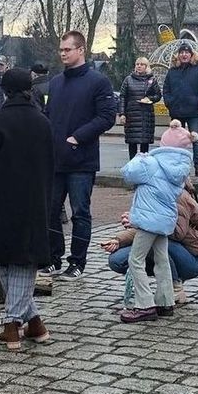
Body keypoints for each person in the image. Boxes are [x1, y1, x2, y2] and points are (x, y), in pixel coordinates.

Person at [0, 69, 54, 350]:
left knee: (0, 255)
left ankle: (11, 326)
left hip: (2, 199)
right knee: (24, 258)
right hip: (34, 200)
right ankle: (34, 322)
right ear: (30, 90)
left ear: (4, 91)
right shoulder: (43, 122)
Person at [42, 31, 117, 281]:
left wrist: (77, 137)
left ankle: (77, 263)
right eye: (61, 50)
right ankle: (53, 259)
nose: (63, 53)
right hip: (54, 160)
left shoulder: (98, 82)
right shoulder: (55, 82)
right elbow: (48, 115)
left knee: (80, 212)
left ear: (81, 49)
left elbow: (107, 117)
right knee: (50, 211)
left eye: (67, 49)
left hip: (81, 161)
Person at [115, 120, 194, 323]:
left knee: (135, 260)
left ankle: (144, 305)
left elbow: (127, 173)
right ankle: (166, 301)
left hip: (149, 220)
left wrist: (140, 157)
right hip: (165, 220)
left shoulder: (152, 163)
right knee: (162, 260)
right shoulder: (181, 168)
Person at [102, 177, 198, 307]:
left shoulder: (179, 196)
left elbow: (176, 233)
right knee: (117, 259)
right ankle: (147, 291)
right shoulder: (151, 193)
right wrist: (118, 240)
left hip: (190, 258)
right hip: (162, 244)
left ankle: (175, 288)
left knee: (157, 243)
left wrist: (138, 221)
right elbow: (148, 231)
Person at [162, 42, 198, 177]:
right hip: (177, 110)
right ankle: (177, 166)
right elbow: (166, 89)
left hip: (193, 111)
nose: (184, 55)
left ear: (191, 55)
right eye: (182, 53)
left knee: (196, 139)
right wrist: (169, 102)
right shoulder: (172, 71)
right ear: (178, 55)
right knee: (176, 141)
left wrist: (197, 100)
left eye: (187, 53)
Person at [120, 57, 162, 159]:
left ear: (146, 67)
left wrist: (149, 98)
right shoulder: (128, 80)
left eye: (142, 64)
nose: (139, 66)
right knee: (132, 142)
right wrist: (122, 113)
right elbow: (122, 97)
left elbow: (158, 95)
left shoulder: (152, 80)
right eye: (137, 64)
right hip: (132, 115)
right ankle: (132, 165)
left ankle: (143, 166)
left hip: (146, 115)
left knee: (144, 143)